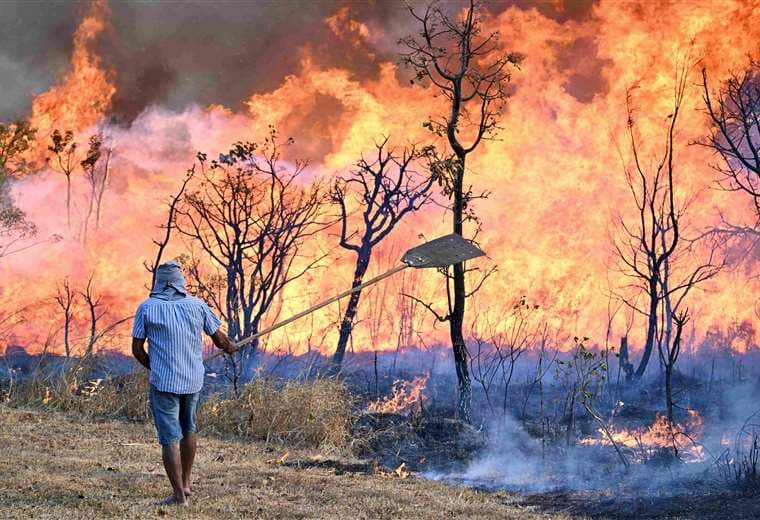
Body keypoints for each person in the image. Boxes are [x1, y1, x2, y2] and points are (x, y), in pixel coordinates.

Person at [131, 260, 235, 506]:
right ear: (181, 283)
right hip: (192, 380)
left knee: (170, 438)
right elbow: (220, 339)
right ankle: (186, 483)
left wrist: (155, 367)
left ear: (158, 283)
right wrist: (230, 346)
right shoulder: (197, 305)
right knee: (188, 429)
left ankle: (179, 495)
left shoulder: (147, 307)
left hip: (164, 383)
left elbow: (137, 349)